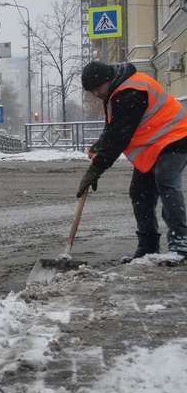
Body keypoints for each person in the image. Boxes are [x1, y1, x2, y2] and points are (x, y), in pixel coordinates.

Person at [78, 60, 187, 263]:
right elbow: (114, 128)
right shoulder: (116, 91)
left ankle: (181, 243)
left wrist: (96, 169)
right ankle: (148, 247)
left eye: (97, 89)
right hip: (154, 144)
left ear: (108, 80)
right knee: (139, 191)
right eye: (92, 91)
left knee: (166, 183)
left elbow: (120, 135)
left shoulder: (130, 91)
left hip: (176, 137)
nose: (96, 94)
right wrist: (100, 145)